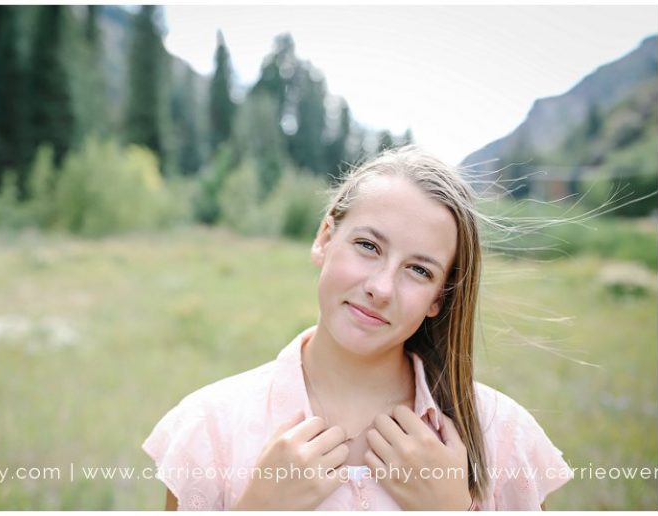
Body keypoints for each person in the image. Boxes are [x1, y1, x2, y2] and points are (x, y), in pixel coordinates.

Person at [142, 145, 573, 510]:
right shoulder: (210, 428)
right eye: (368, 246)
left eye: (419, 271)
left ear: (439, 297)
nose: (381, 288)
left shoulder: (504, 435)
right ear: (325, 238)